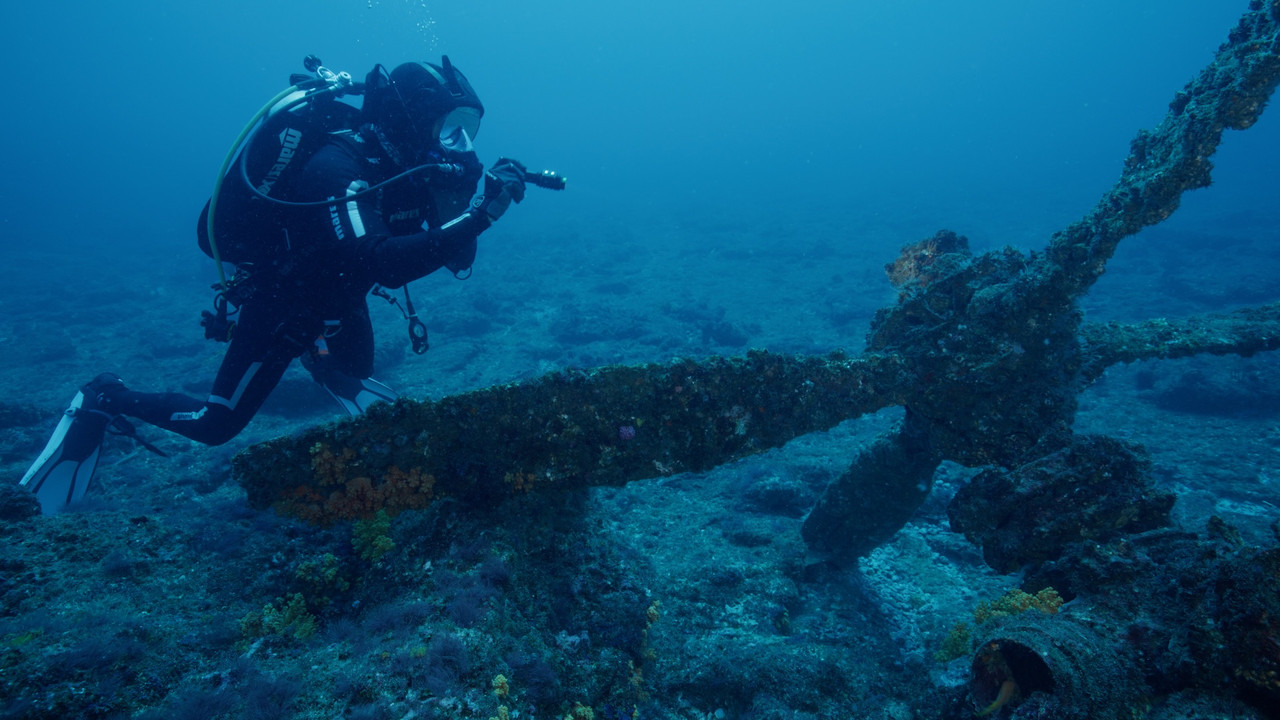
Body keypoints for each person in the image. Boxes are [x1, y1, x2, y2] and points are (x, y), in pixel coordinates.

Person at [20, 57, 530, 514]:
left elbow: (457, 257)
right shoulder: (340, 166)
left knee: (353, 378)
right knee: (214, 424)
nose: (460, 146)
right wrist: (483, 214)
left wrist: (469, 200)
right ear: (414, 118)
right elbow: (384, 263)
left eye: (469, 131)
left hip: (341, 294)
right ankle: (106, 396)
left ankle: (323, 362)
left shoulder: (413, 170)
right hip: (284, 302)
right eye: (451, 128)